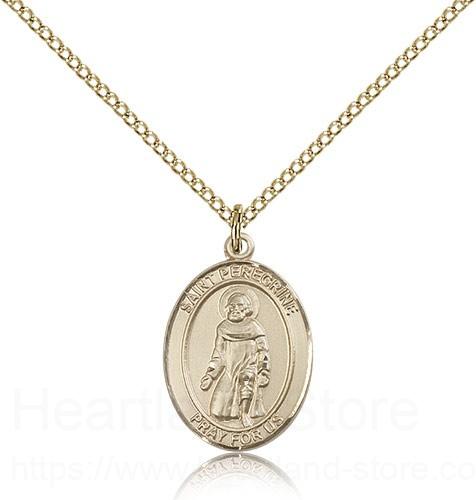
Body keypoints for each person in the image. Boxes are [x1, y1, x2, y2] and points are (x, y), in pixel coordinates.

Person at [200, 291, 270, 427]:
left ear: (247, 308)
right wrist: (210, 376)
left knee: (246, 378)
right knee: (217, 410)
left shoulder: (254, 327)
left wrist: (263, 372)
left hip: (249, 366)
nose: (235, 309)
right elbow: (218, 354)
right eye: (232, 306)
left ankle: (245, 414)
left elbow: (263, 351)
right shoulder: (223, 328)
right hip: (230, 371)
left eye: (239, 305)